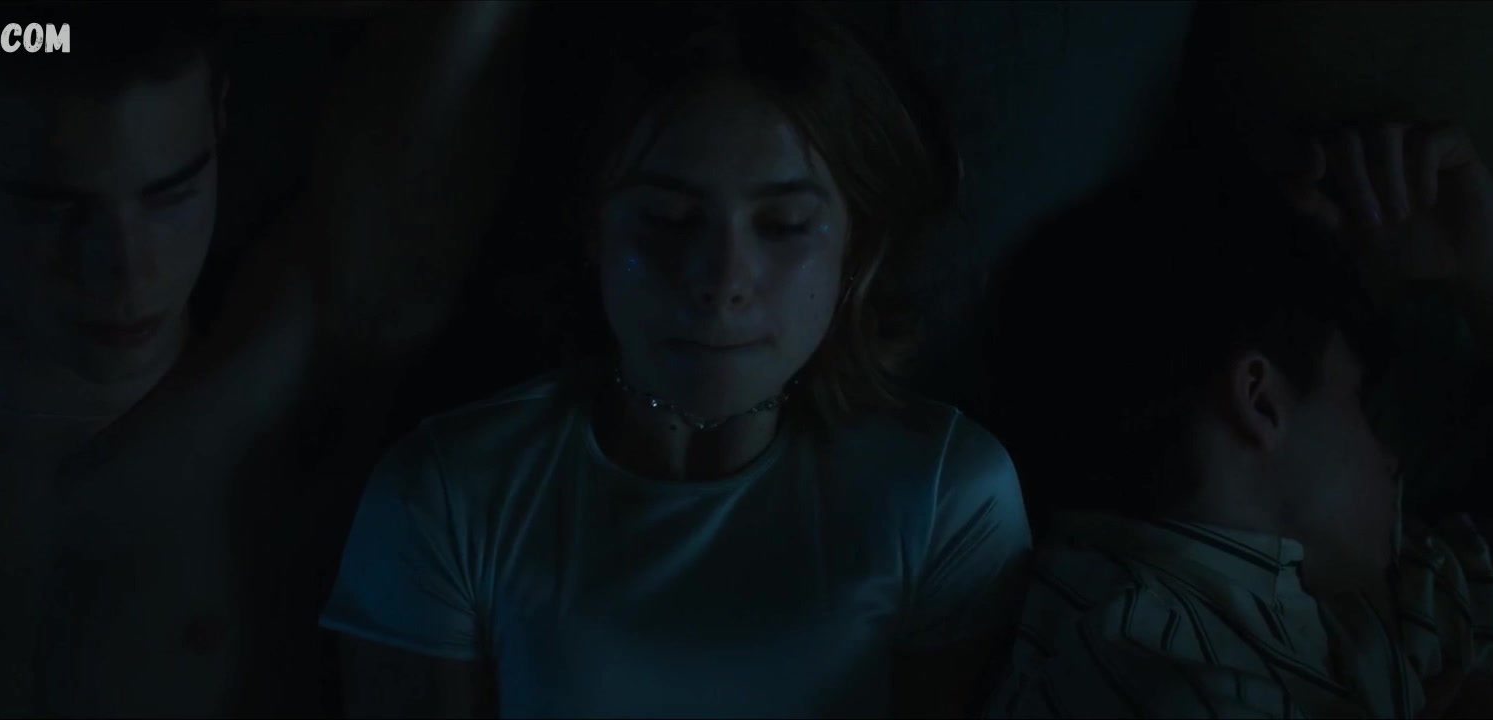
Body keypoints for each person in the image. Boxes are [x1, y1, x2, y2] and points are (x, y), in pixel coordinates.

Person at [320, 5, 1032, 718]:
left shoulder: (942, 497)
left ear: (856, 246)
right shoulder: (448, 495)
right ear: (593, 228)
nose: (721, 279)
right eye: (667, 218)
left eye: (783, 225)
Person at [0, 2, 524, 716]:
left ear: (220, 125)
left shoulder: (281, 377)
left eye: (171, 195)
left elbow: (466, 32)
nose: (126, 272)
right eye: (56, 210)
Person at [981, 123, 1493, 718]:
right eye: (1359, 404)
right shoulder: (1142, 660)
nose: (1393, 460)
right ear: (1261, 401)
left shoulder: (1377, 592)